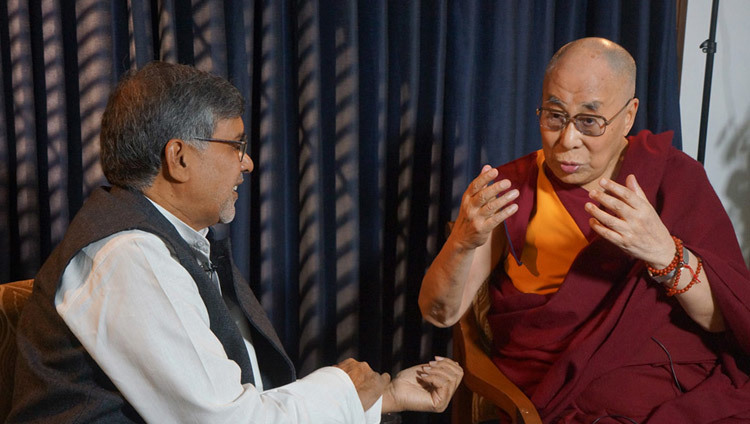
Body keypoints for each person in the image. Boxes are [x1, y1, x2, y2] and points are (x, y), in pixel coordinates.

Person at [9, 61, 462, 423]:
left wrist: (382, 399)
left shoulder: (170, 241)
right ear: (179, 157)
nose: (246, 164)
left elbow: (238, 400)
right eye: (235, 145)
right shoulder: (128, 257)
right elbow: (228, 419)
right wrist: (345, 390)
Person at [419, 37, 750, 423]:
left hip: (688, 388)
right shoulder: (509, 192)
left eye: (589, 121)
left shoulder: (673, 178)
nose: (567, 141)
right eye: (554, 116)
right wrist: (462, 241)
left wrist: (664, 252)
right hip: (571, 399)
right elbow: (439, 313)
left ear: (628, 116)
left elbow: (723, 318)